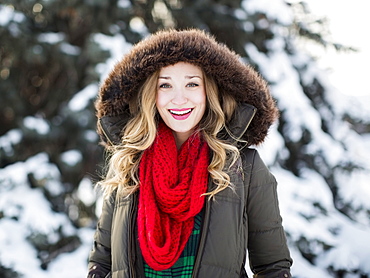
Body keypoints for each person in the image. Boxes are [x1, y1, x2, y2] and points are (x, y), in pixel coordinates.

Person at [87, 29, 292, 278]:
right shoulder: (128, 165)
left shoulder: (244, 168)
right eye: (165, 85)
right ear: (151, 93)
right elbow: (101, 264)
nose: (179, 98)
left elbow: (273, 267)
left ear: (210, 91)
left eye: (192, 84)